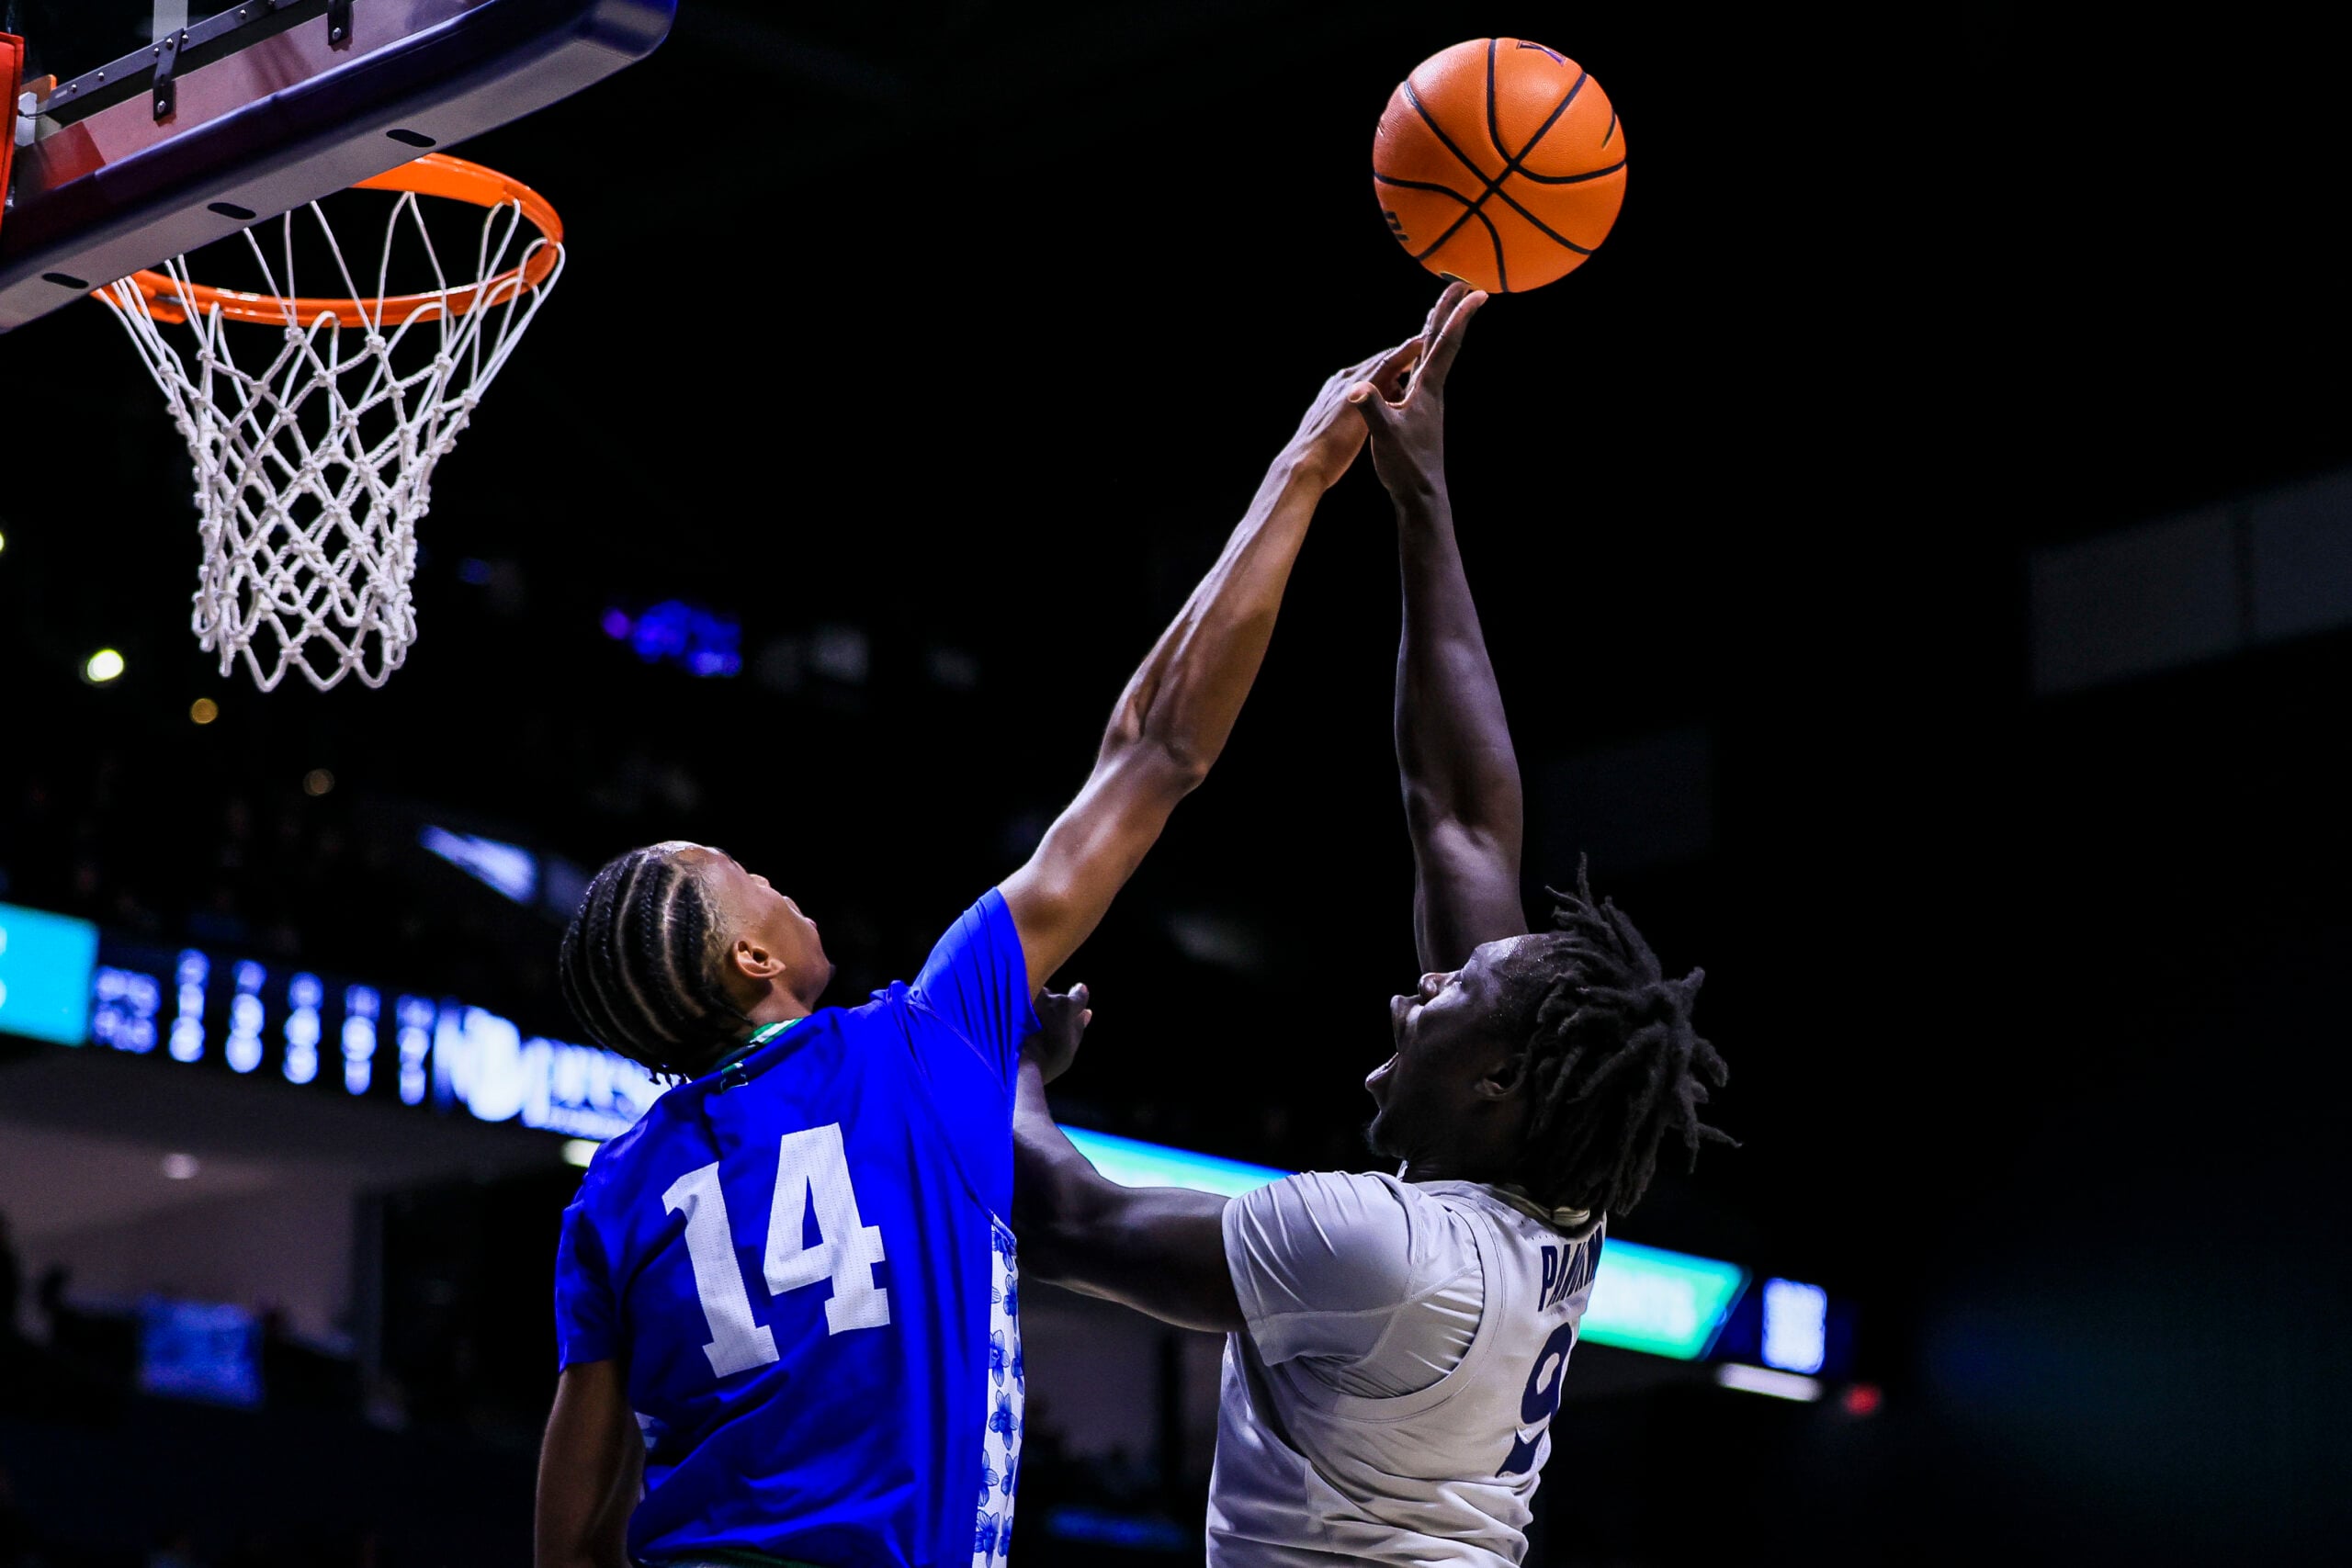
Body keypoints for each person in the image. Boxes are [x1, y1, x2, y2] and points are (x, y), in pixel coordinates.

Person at [533, 318, 1432, 1568]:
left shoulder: (616, 1194)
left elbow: (571, 1536)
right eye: (743, 878)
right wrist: (1303, 469)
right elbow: (1157, 753)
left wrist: (1007, 1072)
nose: (772, 878)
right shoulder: (922, 1040)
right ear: (750, 963)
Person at [1012, 282, 1734, 1566]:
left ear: (1502, 1079)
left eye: (1446, 999)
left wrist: (1007, 1049)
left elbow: (1066, 1223)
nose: (1413, 992)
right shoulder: (1548, 1199)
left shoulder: (1390, 1253)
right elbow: (1461, 818)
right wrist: (1423, 496)